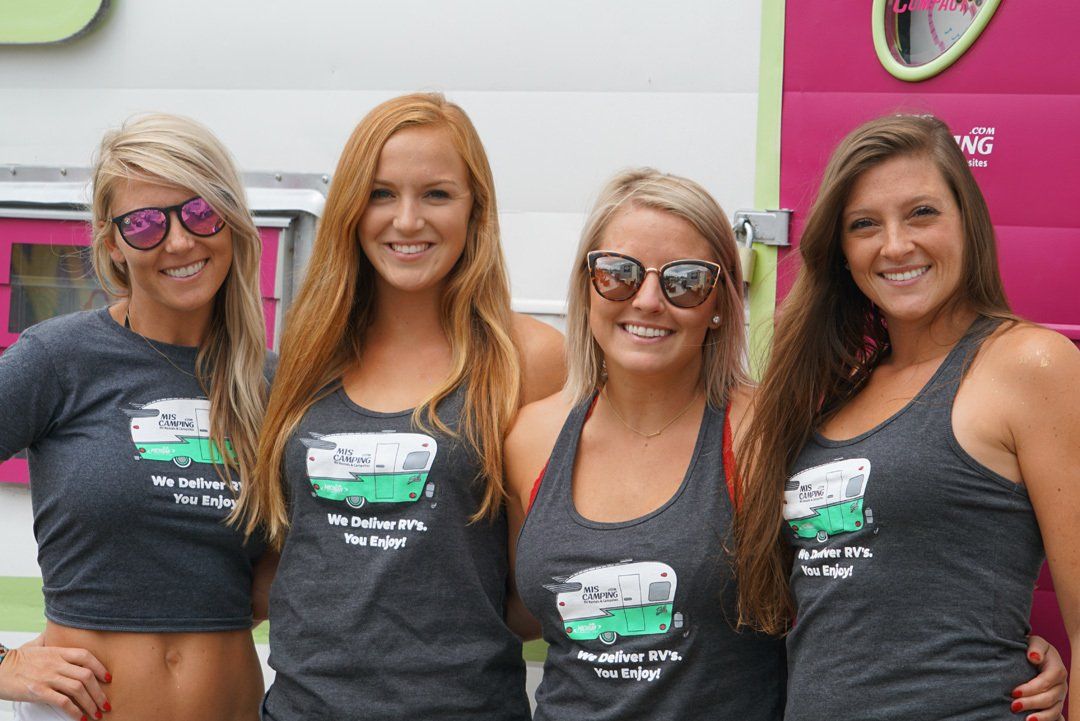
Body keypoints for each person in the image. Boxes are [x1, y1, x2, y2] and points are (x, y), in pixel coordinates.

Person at [506, 167, 1070, 721]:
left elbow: (871, 571)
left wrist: (997, 656)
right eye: (619, 273)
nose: (649, 300)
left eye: (685, 280)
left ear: (721, 301)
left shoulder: (774, 432)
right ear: (587, 284)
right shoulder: (529, 438)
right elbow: (504, 608)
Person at [735, 114, 1078, 720]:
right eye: (864, 224)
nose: (895, 245)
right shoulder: (833, 392)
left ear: (967, 222)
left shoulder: (1029, 365)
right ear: (840, 251)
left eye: (922, 213)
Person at [238, 93, 564, 720]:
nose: (407, 220)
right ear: (352, 211)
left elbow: (536, 587)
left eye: (437, 194)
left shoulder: (531, 359)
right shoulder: (307, 357)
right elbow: (282, 552)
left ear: (477, 210)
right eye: (382, 194)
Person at [0, 113, 272, 721]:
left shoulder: (270, 384)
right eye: (145, 224)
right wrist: (2, 665)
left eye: (199, 212)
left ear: (230, 220)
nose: (179, 242)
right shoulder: (58, 358)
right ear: (112, 241)